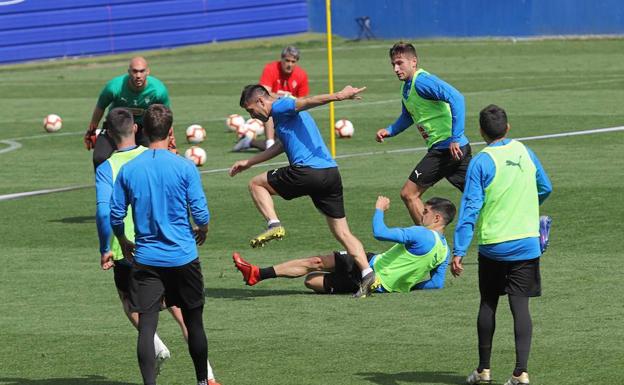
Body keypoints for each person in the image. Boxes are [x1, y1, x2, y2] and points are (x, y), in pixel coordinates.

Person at [96, 108, 220, 385]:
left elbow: (115, 214)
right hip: (183, 257)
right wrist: (203, 230)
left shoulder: (128, 170)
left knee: (147, 326)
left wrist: (124, 241)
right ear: (171, 132)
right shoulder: (184, 166)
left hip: (147, 259)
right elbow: (200, 213)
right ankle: (203, 381)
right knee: (193, 322)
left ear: (143, 130)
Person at [229, 84, 376, 298]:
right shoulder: (284, 117)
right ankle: (367, 272)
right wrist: (250, 161)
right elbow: (281, 146)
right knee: (343, 232)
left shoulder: (280, 106)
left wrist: (339, 96)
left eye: (251, 110)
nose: (252, 115)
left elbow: (307, 101)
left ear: (261, 101)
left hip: (308, 172)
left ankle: (274, 224)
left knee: (256, 184)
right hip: (330, 174)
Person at [451, 105, 552, 385]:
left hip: (494, 247)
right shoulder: (525, 151)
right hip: (527, 246)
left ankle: (484, 370)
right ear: (508, 128)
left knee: (488, 303)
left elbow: (470, 208)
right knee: (521, 309)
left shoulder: (481, 162)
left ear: (481, 132)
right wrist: (528, 208)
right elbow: (545, 187)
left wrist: (459, 250)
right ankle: (521, 373)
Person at [232, 195, 455, 295]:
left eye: (425, 212)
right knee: (316, 261)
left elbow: (379, 233)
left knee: (311, 280)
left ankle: (258, 274)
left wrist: (380, 208)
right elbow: (436, 283)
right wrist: (404, 286)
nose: (421, 214)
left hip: (368, 277)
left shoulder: (421, 234)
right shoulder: (444, 251)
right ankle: (258, 274)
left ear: (437, 219)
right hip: (368, 261)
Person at [376, 42, 471, 225]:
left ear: (414, 61)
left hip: (446, 149)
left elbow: (457, 98)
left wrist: (455, 138)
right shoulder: (407, 87)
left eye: (400, 63)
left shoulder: (422, 81)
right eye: (393, 64)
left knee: (409, 194)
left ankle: (430, 245)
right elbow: (408, 116)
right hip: (454, 149)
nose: (396, 68)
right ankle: (528, 222)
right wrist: (390, 130)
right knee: (480, 197)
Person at [84, 56, 176, 169]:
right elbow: (100, 107)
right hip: (116, 126)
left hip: (144, 129)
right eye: (135, 71)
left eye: (142, 71)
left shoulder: (158, 90)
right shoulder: (114, 87)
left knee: (153, 159)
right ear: (129, 72)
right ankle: (106, 185)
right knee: (99, 158)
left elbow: (165, 117)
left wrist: (171, 139)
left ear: (148, 71)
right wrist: (92, 130)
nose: (138, 75)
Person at [233, 46, 309, 152]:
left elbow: (302, 100)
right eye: (287, 60)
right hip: (272, 111)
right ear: (281, 59)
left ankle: (249, 142)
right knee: (270, 107)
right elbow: (264, 94)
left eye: (293, 61)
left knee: (284, 144)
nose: (289, 64)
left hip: (289, 113)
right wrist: (285, 97)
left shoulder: (301, 75)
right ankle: (269, 142)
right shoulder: (271, 68)